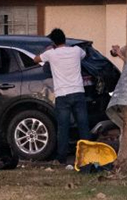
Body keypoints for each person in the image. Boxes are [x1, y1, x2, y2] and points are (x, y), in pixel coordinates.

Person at [33, 28, 88, 167]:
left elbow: (36, 59)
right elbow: (84, 54)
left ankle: (61, 158)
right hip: (78, 92)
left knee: (63, 128)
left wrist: (49, 49)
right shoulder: (76, 50)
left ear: (53, 42)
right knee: (83, 126)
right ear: (65, 39)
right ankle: (87, 157)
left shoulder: (51, 54)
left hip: (62, 95)